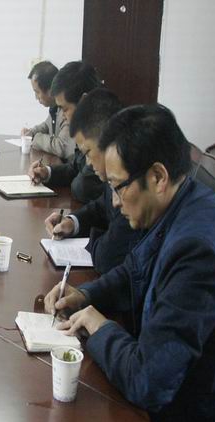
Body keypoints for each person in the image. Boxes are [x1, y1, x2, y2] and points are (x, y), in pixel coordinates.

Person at [45, 104, 215, 422]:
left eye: (118, 187)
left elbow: (148, 380)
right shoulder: (183, 203)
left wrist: (98, 325)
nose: (115, 203)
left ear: (157, 176)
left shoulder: (197, 250)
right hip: (187, 411)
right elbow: (134, 268)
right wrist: (86, 294)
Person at [43, 88, 143, 273]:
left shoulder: (132, 185)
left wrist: (97, 239)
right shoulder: (115, 180)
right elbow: (102, 206)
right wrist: (73, 222)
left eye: (88, 152)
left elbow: (107, 257)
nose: (88, 162)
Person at [28, 61, 104, 203]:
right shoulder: (87, 129)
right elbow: (75, 167)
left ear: (84, 101)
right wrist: (47, 172)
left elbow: (83, 186)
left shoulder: (106, 134)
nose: (62, 116)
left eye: (64, 109)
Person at [21, 61, 75, 160]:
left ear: (50, 90)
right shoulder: (54, 107)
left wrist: (36, 138)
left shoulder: (67, 111)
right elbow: (46, 125)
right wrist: (30, 133)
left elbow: (62, 146)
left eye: (37, 92)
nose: (36, 97)